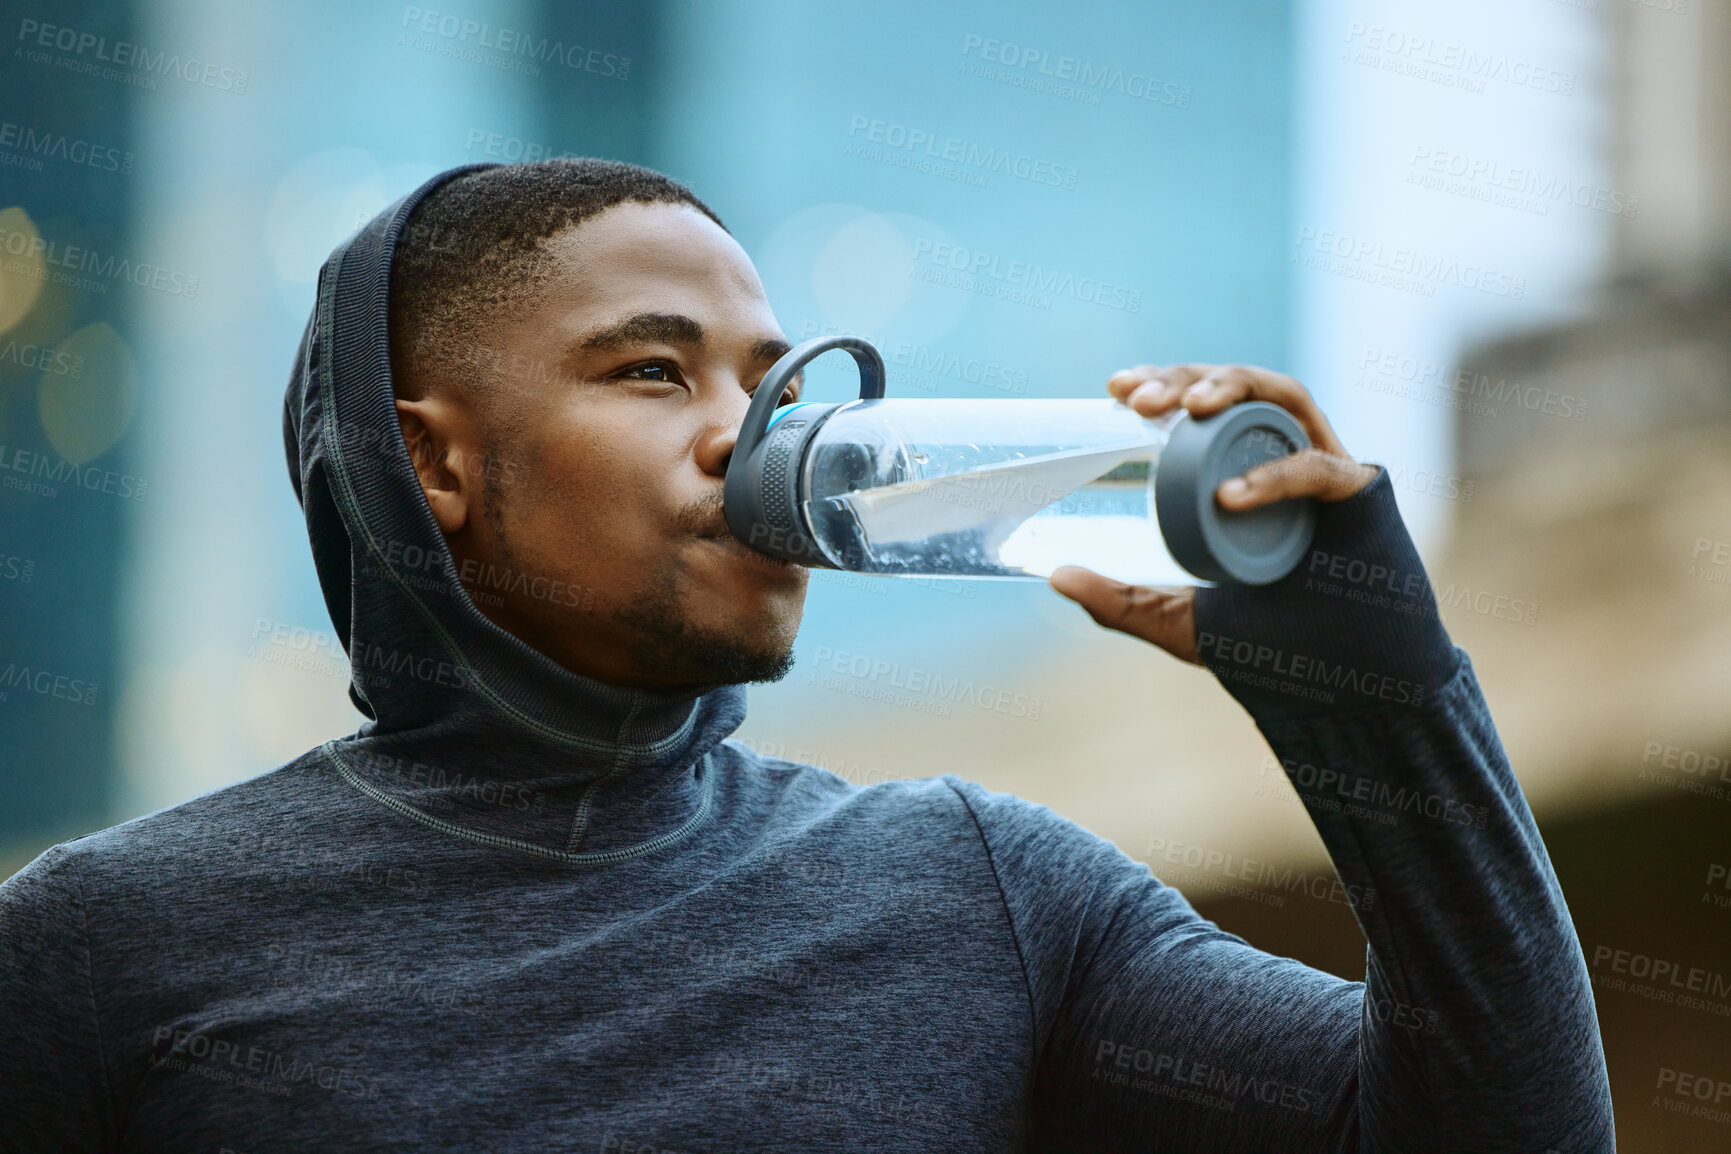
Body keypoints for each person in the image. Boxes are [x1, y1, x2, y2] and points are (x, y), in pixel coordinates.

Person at [0, 159, 1613, 1151]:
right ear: (438, 463)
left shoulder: (979, 889)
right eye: (651, 371)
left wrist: (1380, 704)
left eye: (768, 383)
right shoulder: (102, 945)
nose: (752, 437)